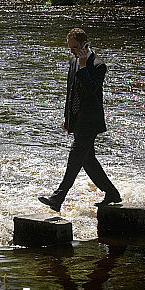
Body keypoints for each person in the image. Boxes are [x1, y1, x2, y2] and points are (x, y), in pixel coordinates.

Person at [38, 28, 121, 212]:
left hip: (90, 122)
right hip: (77, 120)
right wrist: (67, 118)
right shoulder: (73, 60)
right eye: (70, 49)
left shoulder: (98, 65)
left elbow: (91, 89)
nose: (73, 52)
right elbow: (71, 92)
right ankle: (112, 193)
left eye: (75, 48)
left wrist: (83, 66)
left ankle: (58, 198)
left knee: (75, 157)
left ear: (85, 45)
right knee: (88, 160)